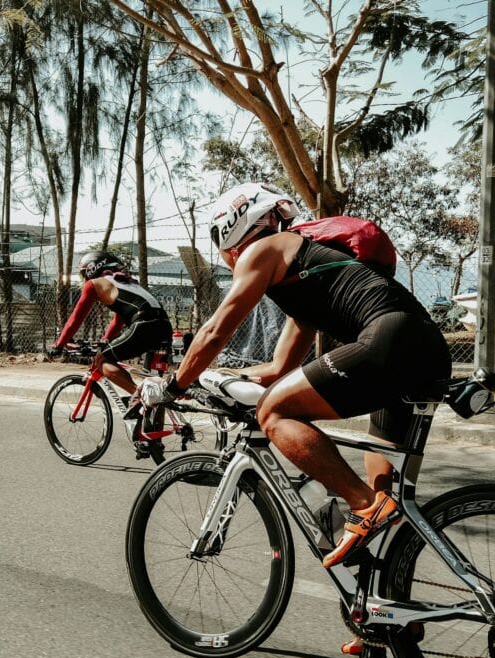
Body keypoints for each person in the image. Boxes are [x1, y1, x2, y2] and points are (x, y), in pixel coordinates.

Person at [141, 182, 452, 572]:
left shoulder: (265, 248)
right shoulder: (303, 278)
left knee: (273, 413)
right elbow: (278, 370)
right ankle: (383, 622)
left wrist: (174, 387)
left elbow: (214, 332)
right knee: (386, 515)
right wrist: (221, 379)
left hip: (389, 341)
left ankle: (361, 505)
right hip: (425, 349)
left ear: (231, 231)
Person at [48, 250, 172, 397]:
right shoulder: (126, 283)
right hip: (164, 327)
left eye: (84, 274)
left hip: (144, 325)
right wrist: (104, 342)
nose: (84, 279)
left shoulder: (94, 284)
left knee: (101, 360)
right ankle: (152, 408)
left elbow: (76, 319)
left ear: (91, 269)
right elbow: (117, 322)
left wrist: (59, 345)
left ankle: (137, 396)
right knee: (155, 387)